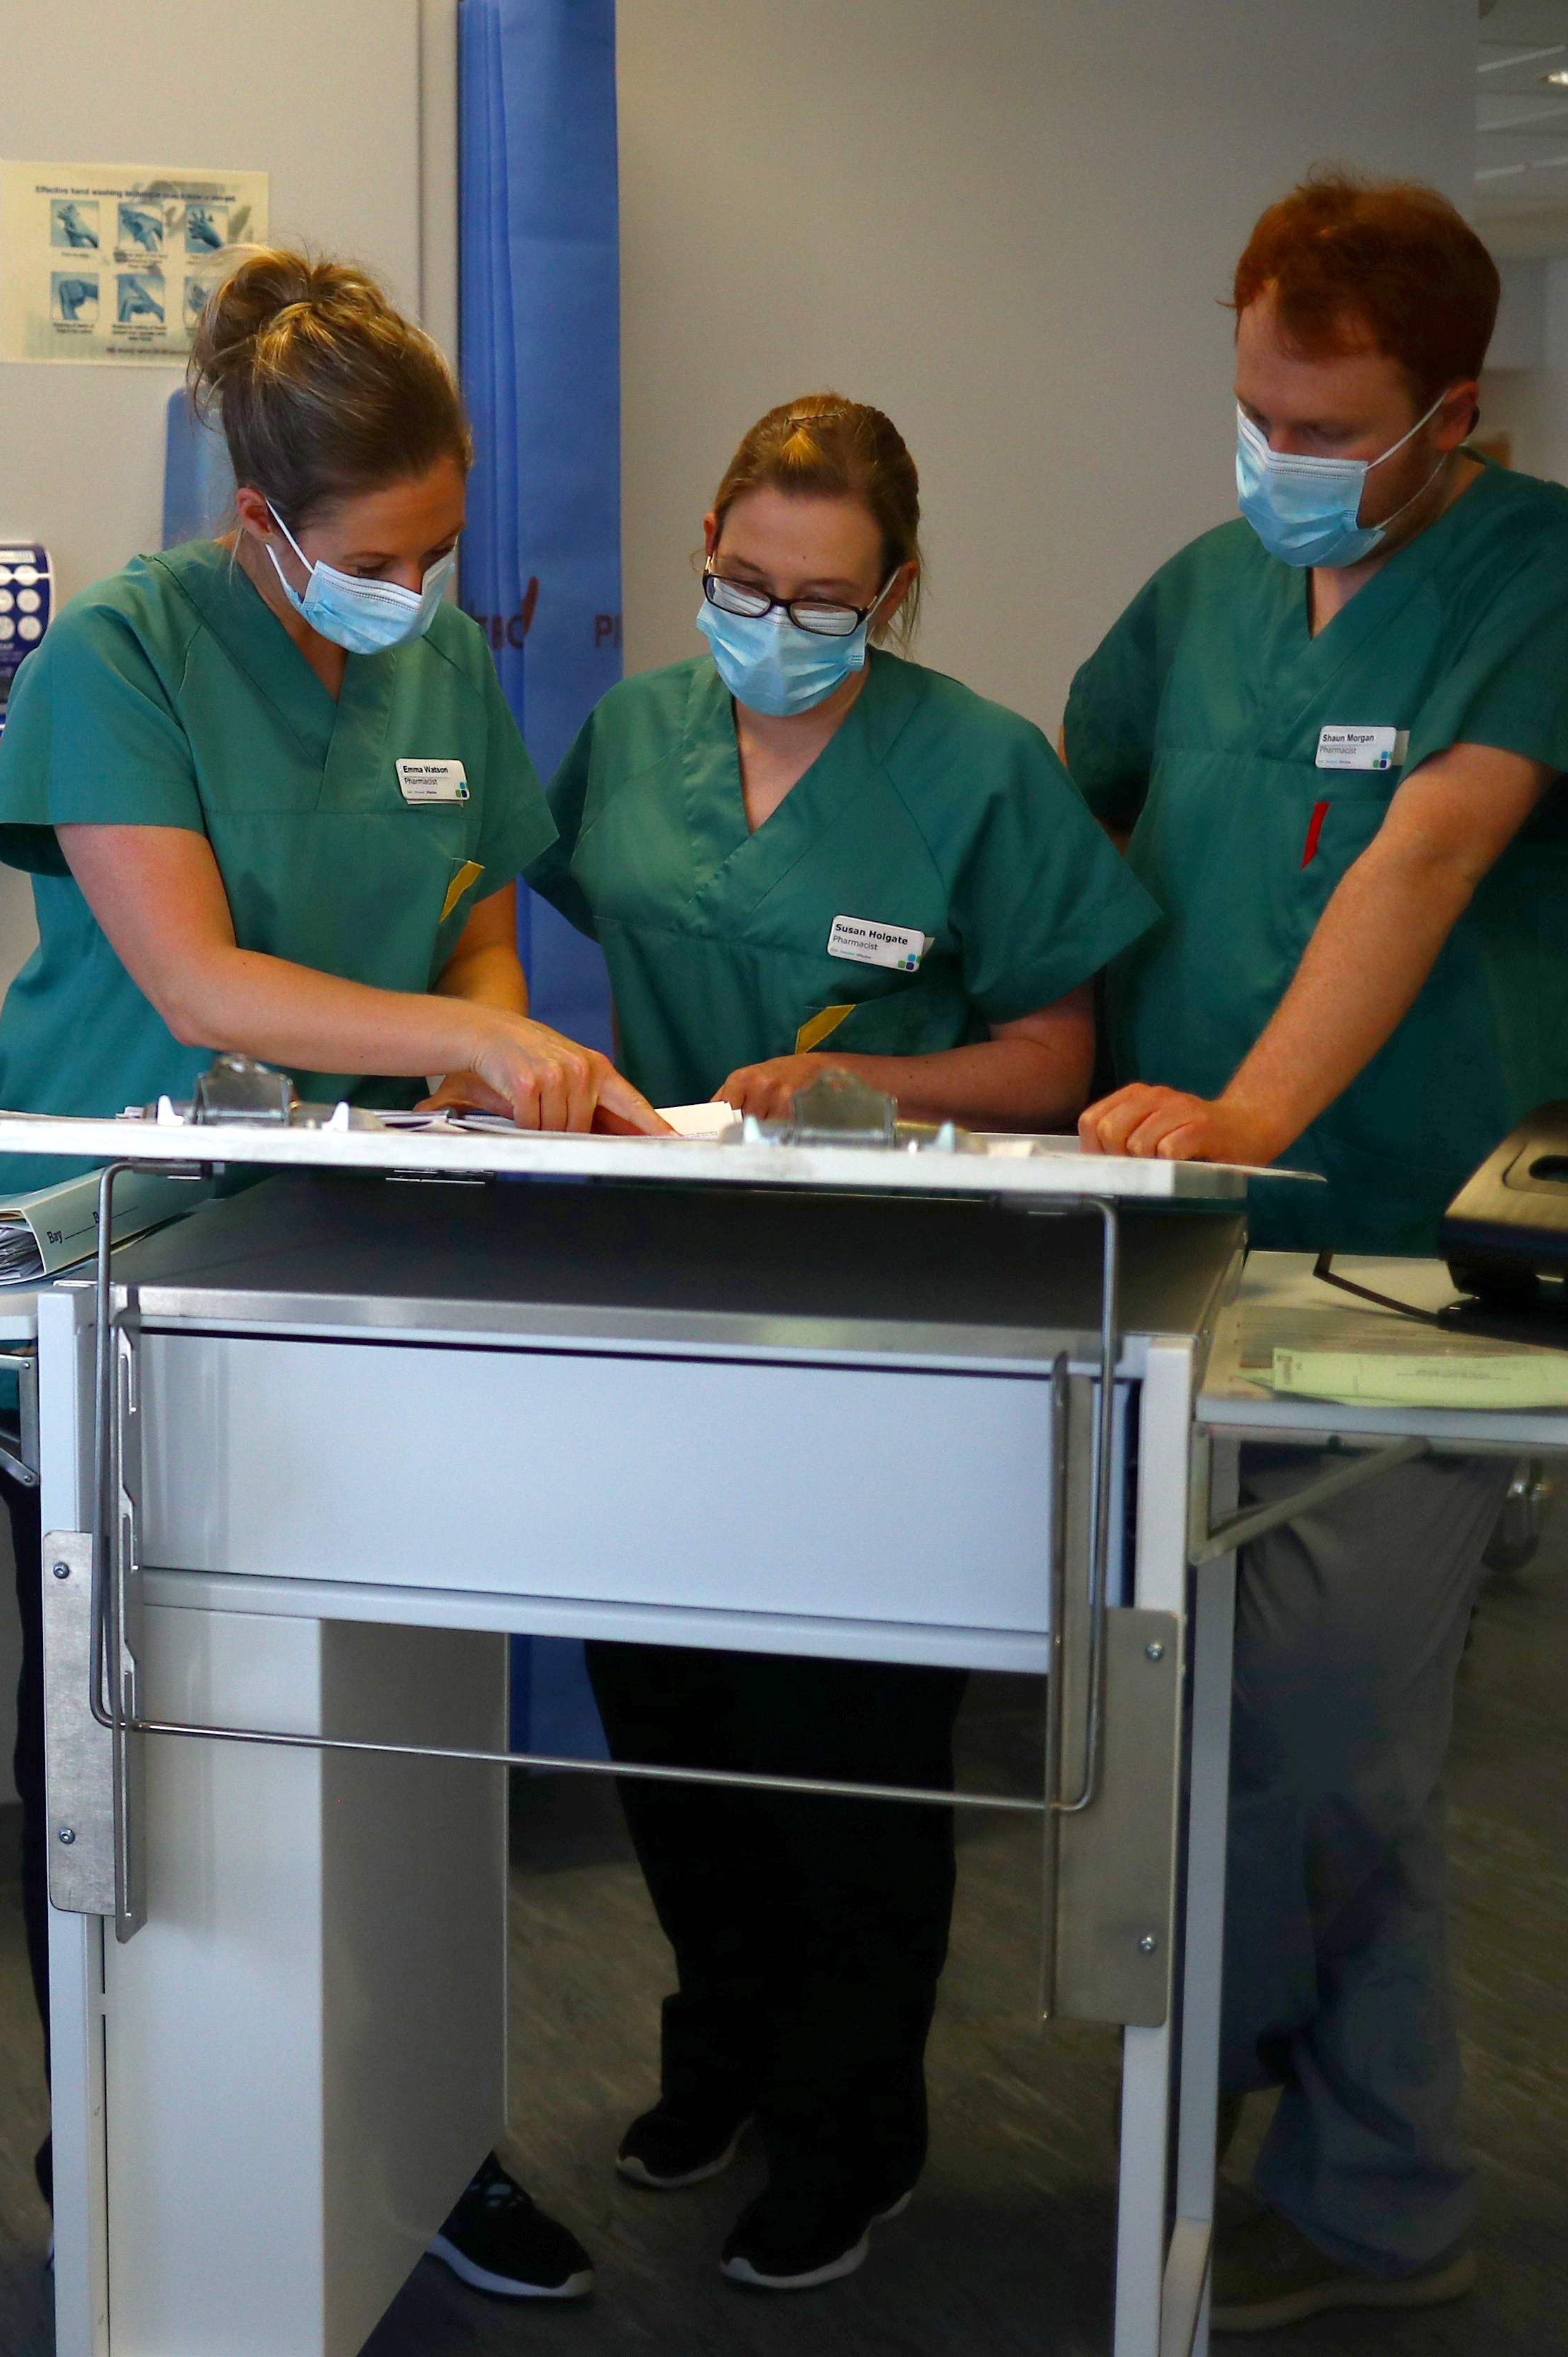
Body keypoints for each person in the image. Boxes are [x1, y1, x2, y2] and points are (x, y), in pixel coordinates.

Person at [0, 246, 651, 2303]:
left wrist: (490, 1038)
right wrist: (467, 1044)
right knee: (137, 1746)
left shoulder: (436, 661)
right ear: (260, 519)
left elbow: (469, 913)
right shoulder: (122, 652)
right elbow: (191, 977)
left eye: (446, 546)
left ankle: (417, 2132)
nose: (423, 588)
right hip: (141, 1258)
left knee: (402, 1737)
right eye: (384, 552)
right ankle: (123, 2128)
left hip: (376, 1258)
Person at [1065, 175, 1568, 2331]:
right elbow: (1083, 833)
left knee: (1330, 1733)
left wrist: (1245, 1114)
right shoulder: (1206, 589)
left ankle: (1311, 2139)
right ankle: (1366, 2176)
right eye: (1255, 414)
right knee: (1231, 1727)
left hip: (1415, 1239)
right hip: (1170, 1240)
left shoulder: (1552, 575)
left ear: (1453, 413)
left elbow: (1423, 854)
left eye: (1328, 431)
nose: (1279, 465)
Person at [529, 393, 1153, 2294]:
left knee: (845, 1749)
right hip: (659, 1293)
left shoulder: (973, 765)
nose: (782, 622)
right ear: (706, 539)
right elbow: (557, 920)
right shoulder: (635, 732)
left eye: (829, 600)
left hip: (889, 1317)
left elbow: (1055, 1055)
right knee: (673, 1714)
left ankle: (848, 2125)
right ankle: (712, 2061)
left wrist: (856, 1077)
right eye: (748, 582)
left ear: (895, 590)